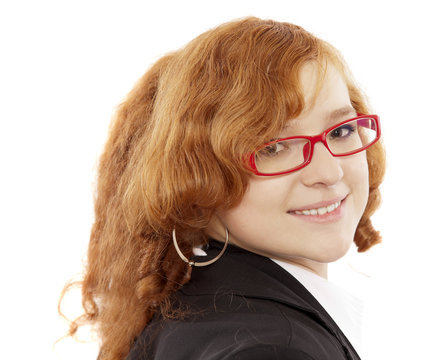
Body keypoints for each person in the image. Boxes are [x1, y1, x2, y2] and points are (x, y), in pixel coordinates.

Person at [62, 17, 385, 360]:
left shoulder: (200, 311)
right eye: (272, 147)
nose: (329, 171)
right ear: (198, 175)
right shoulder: (274, 350)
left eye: (340, 131)